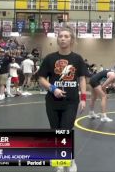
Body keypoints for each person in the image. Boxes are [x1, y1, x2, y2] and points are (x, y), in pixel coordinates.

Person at [37, 27, 87, 172]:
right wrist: (53, 89)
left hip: (71, 102)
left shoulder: (77, 59)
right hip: (52, 102)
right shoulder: (50, 58)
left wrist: (83, 98)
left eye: (66, 36)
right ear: (57, 39)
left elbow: (82, 78)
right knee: (56, 130)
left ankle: (69, 159)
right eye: (60, 36)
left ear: (71, 39)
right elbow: (41, 78)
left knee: (65, 129)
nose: (63, 38)